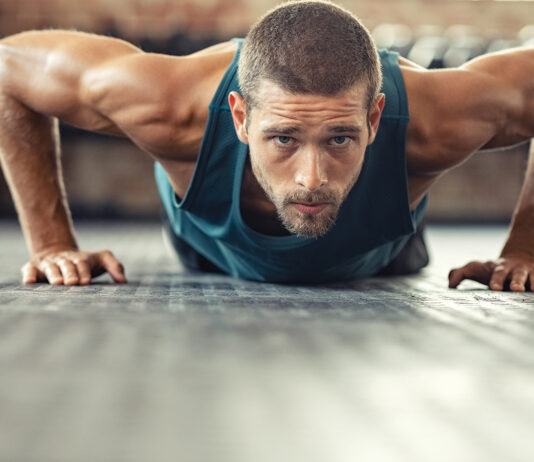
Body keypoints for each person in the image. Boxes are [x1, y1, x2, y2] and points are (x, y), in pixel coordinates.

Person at [0, 0, 533, 291]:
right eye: (283, 138)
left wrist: (524, 250)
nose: (312, 177)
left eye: (340, 138)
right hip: (210, 249)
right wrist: (51, 244)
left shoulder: (436, 118)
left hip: (379, 257)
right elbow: (8, 68)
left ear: (374, 119)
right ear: (239, 116)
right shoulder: (169, 105)